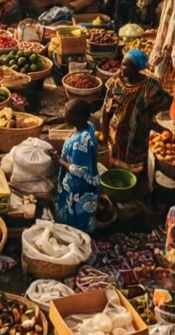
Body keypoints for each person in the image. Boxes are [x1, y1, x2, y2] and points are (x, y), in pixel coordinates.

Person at [101, 48, 170, 197]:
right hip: (117, 133)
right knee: (116, 160)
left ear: (137, 68)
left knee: (135, 165)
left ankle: (133, 190)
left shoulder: (150, 86)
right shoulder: (116, 81)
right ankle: (118, 186)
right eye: (122, 64)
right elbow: (106, 109)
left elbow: (166, 103)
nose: (122, 68)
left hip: (138, 135)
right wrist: (105, 133)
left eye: (127, 65)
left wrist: (158, 126)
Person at [53, 98, 100, 234]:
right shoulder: (89, 126)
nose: (64, 114)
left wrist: (59, 160)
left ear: (77, 117)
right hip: (89, 182)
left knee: (75, 218)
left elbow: (79, 170)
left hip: (79, 189)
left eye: (67, 112)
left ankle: (75, 239)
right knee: (84, 216)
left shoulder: (79, 142)